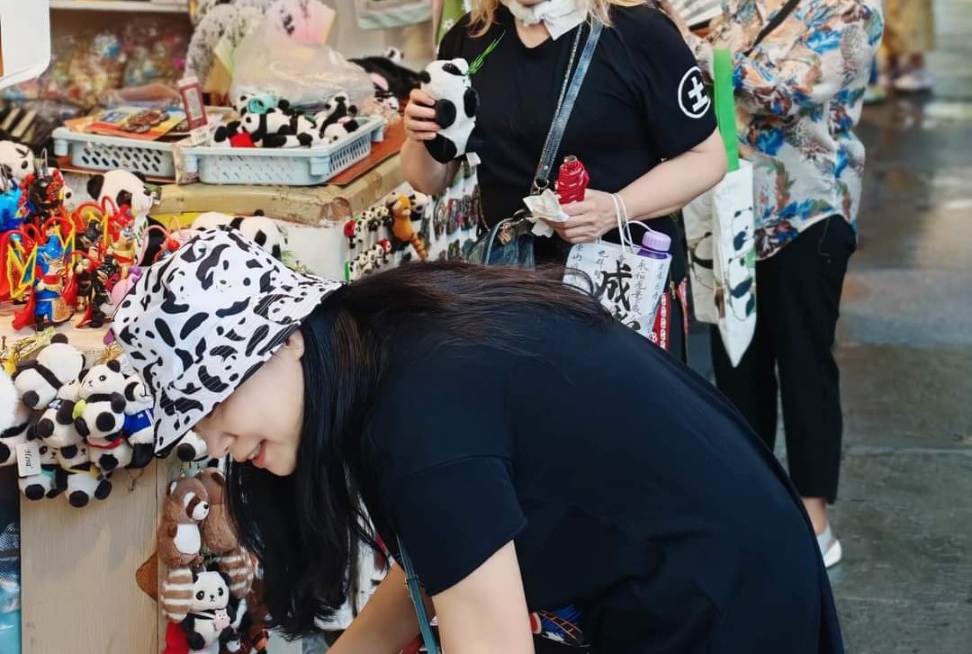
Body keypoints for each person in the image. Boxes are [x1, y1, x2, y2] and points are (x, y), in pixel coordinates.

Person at [112, 227, 846, 654]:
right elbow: (446, 554)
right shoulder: (377, 344)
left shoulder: (417, 414)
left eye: (214, 400)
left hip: (722, 601)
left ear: (285, 342)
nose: (215, 438)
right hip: (715, 556)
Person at [401, 0, 727, 358]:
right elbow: (430, 179)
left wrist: (616, 208)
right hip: (513, 288)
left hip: (623, 284)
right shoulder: (470, 40)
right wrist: (419, 133)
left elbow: (708, 157)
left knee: (626, 431)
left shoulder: (638, 32)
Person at [663, 0, 884, 571]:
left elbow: (784, 86)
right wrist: (685, 39)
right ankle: (755, 503)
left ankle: (814, 519)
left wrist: (693, 49)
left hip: (810, 210)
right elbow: (724, 54)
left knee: (803, 362)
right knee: (737, 362)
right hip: (735, 208)